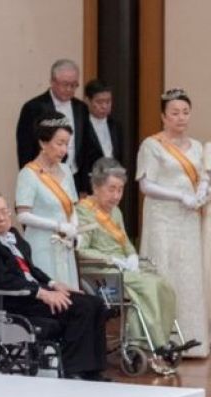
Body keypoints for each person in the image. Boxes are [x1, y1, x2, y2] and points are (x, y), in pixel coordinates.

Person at [0, 189, 108, 381]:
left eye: (4, 211)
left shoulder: (12, 235)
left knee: (95, 303)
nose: (2, 218)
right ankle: (74, 370)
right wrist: (42, 293)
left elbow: (30, 269)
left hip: (28, 293)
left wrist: (54, 284)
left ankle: (93, 370)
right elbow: (2, 280)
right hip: (9, 301)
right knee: (80, 308)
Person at [76, 158, 180, 374]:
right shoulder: (83, 212)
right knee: (148, 287)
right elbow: (80, 249)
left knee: (163, 285)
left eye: (120, 190)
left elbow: (125, 242)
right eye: (111, 189)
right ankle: (153, 344)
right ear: (96, 187)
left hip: (122, 268)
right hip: (100, 270)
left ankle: (160, 339)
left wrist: (132, 256)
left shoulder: (116, 212)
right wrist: (110, 259)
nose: (116, 196)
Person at [137, 88, 209, 358]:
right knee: (165, 273)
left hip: (188, 219)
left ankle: (192, 339)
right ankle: (159, 338)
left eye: (185, 112)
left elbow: (203, 175)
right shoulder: (152, 145)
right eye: (175, 113)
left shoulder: (198, 147)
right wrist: (180, 195)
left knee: (189, 275)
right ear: (163, 116)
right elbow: (145, 184)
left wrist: (202, 190)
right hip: (163, 219)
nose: (181, 118)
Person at [15, 111, 80, 289]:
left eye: (66, 144)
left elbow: (72, 206)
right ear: (43, 142)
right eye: (59, 143)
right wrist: (57, 226)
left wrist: (74, 226)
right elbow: (23, 215)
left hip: (65, 244)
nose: (64, 150)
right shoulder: (28, 174)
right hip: (42, 244)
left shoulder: (66, 171)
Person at [16, 59, 92, 193]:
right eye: (65, 84)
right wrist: (30, 181)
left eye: (74, 85)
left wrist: (84, 187)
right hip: (43, 178)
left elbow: (85, 148)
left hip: (75, 178)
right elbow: (25, 150)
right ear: (52, 81)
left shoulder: (81, 108)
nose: (69, 89)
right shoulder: (33, 108)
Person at [81, 80, 123, 191]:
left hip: (113, 183)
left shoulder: (115, 125)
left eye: (108, 101)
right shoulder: (82, 126)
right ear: (87, 101)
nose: (104, 106)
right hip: (89, 186)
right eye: (99, 102)